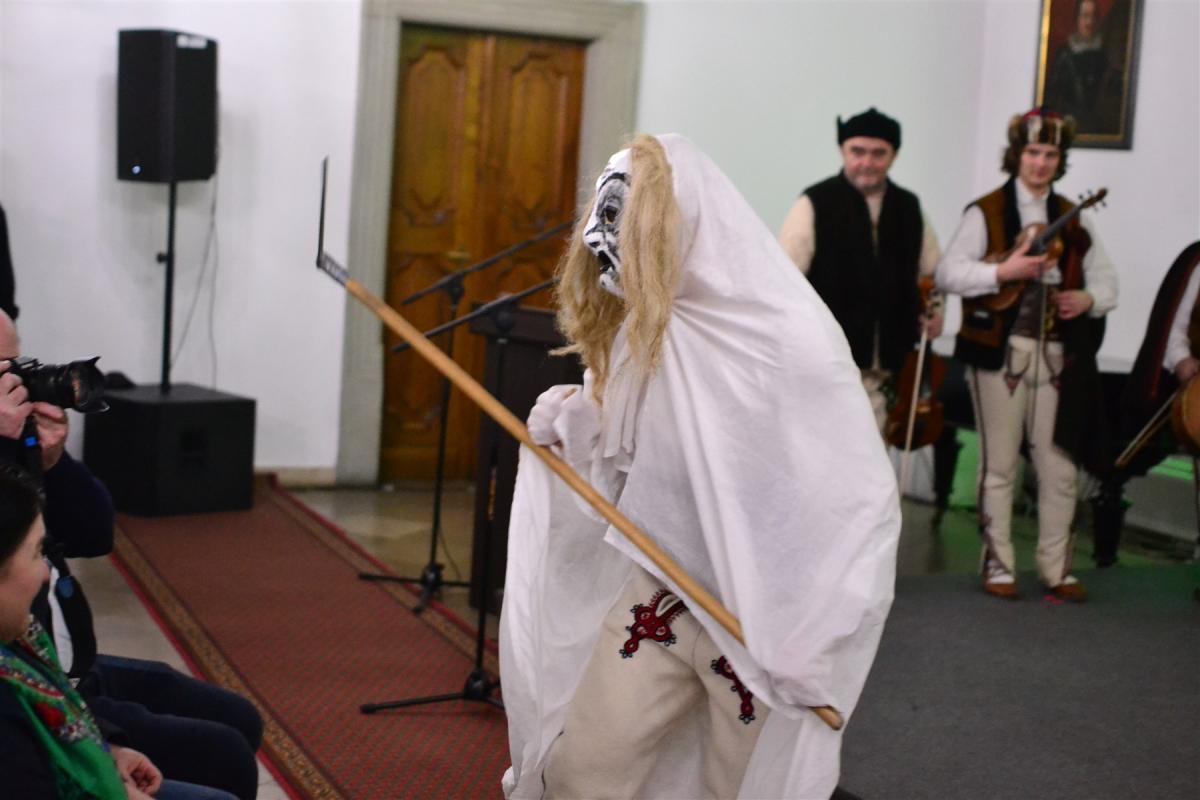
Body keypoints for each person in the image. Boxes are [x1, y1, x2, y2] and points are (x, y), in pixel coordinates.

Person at [500, 134, 900, 799]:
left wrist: (819, 628)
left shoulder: (790, 338)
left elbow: (857, 501)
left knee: (736, 789)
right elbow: (624, 447)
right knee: (583, 772)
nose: (611, 255)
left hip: (758, 628)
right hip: (658, 593)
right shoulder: (649, 326)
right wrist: (579, 427)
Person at [0, 309, 263, 799]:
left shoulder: (16, 442)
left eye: (18, 364)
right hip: (35, 688)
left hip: (71, 669)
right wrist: (105, 744)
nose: (18, 382)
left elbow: (95, 534)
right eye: (3, 371)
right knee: (223, 753)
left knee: (238, 717)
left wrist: (50, 462)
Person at [936, 108, 1118, 602]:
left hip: (1056, 355)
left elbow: (1107, 282)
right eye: (1033, 152)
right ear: (1017, 154)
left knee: (1059, 467)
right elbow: (949, 273)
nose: (1040, 163)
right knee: (999, 465)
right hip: (1000, 352)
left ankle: (1057, 567)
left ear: (1061, 160)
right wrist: (1002, 273)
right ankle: (997, 564)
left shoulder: (1074, 216)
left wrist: (1087, 298)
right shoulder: (986, 211)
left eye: (1050, 154)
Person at [0, 464, 236, 799]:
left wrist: (106, 748)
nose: (45, 573)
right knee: (222, 759)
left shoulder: (18, 641)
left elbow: (95, 533)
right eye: (36, 553)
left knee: (230, 728)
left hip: (80, 679)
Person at [778, 107, 943, 432]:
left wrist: (936, 314)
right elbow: (784, 280)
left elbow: (932, 273)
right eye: (858, 151)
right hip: (828, 362)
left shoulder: (909, 206)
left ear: (894, 155)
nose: (867, 162)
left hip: (892, 364)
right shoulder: (814, 202)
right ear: (843, 150)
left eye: (878, 153)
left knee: (878, 452)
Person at [1044, 0, 1121, 135]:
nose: (1089, 22)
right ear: (1077, 19)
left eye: (1093, 16)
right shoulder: (1065, 53)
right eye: (1085, 16)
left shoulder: (1105, 53)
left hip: (1099, 127)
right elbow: (1052, 97)